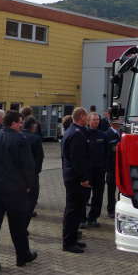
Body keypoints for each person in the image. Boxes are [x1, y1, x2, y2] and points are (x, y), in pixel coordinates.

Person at [0, 111, 37, 275]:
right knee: (17, 227)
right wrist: (28, 186)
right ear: (12, 123)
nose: (21, 125)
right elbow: (28, 166)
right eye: (19, 123)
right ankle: (22, 256)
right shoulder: (20, 140)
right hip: (15, 192)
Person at [61, 107, 90, 253]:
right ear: (81, 117)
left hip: (73, 176)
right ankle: (68, 243)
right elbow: (77, 160)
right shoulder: (76, 134)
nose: (88, 119)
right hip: (75, 179)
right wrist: (83, 178)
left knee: (77, 210)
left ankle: (73, 239)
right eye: (87, 116)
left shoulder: (74, 131)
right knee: (73, 210)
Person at [83, 112, 119, 228]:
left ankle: (93, 218)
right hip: (87, 172)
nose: (96, 122)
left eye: (97, 120)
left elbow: (107, 152)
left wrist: (105, 167)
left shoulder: (103, 135)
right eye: (93, 120)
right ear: (88, 121)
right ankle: (82, 219)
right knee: (84, 196)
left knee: (98, 196)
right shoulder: (83, 134)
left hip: (100, 171)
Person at [22, 117, 44, 220]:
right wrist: (36, 172)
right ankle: (25, 220)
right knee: (32, 197)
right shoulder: (35, 138)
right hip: (32, 173)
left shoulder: (18, 135)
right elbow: (40, 157)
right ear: (33, 126)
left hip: (18, 174)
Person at [104, 117, 121, 219]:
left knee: (122, 189)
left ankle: (119, 207)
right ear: (112, 123)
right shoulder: (107, 134)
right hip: (111, 167)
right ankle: (110, 209)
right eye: (117, 122)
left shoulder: (121, 133)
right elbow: (106, 152)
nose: (119, 123)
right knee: (111, 189)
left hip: (120, 166)